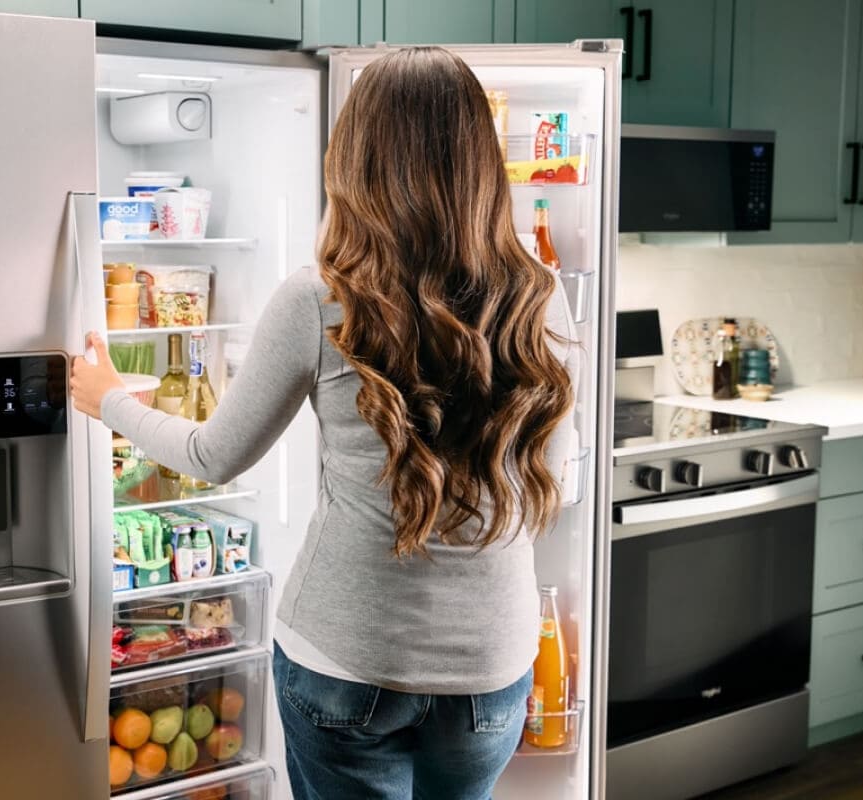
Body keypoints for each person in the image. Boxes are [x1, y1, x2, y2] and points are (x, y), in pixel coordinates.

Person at [70, 46, 578, 800]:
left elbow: (212, 454)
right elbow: (556, 484)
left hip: (347, 658)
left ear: (357, 159)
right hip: (489, 671)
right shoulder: (540, 294)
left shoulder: (319, 300)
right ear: (478, 160)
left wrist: (108, 397)